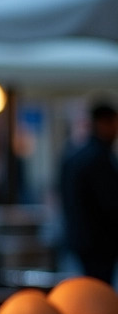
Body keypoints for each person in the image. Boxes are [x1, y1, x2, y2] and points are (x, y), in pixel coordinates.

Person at [59, 102, 118, 284]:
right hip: (99, 243)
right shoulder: (99, 158)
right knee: (98, 291)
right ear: (103, 123)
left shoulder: (74, 155)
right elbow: (110, 202)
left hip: (79, 239)